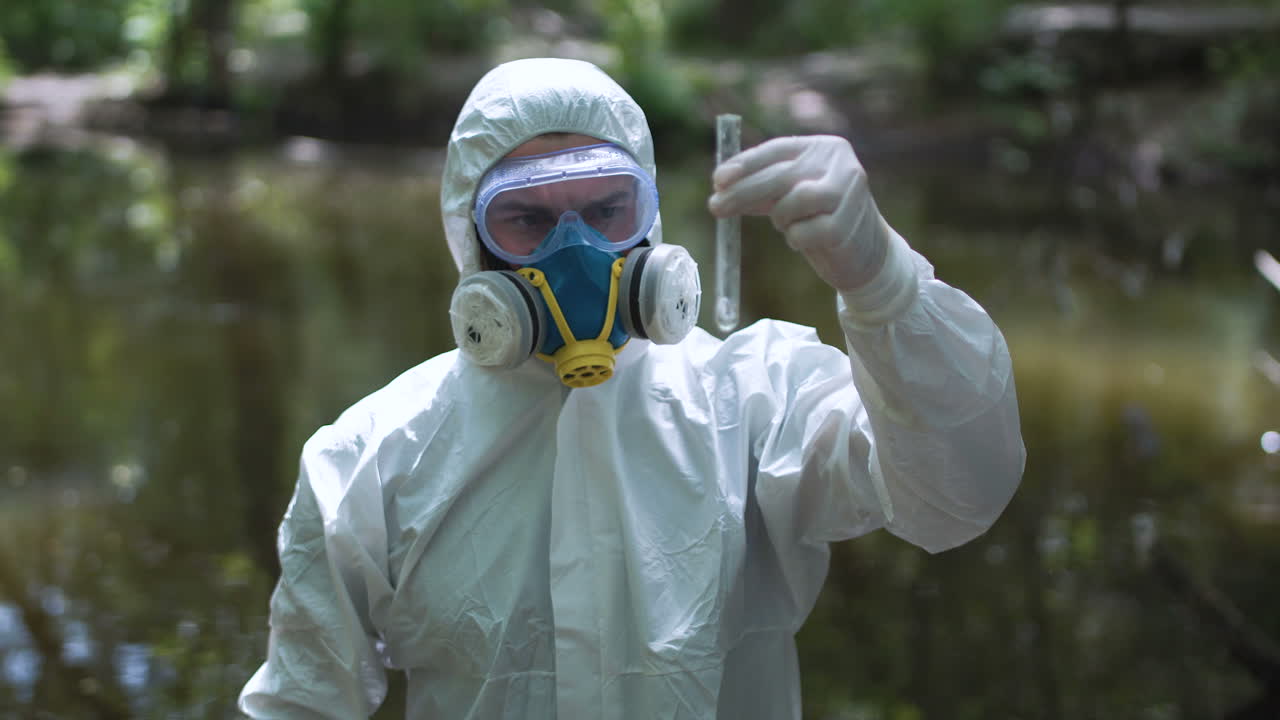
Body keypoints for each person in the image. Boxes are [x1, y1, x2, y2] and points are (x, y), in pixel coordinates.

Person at [238, 57, 1025, 719]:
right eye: (526, 219)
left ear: (649, 217)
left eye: (607, 208)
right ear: (469, 239)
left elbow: (957, 496)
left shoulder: (752, 399)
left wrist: (884, 285)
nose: (573, 249)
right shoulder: (371, 459)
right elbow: (302, 703)